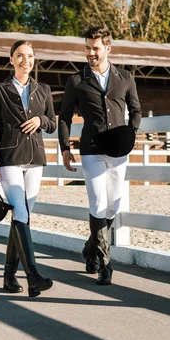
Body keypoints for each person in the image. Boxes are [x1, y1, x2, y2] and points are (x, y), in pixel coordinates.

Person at [58, 26, 142, 285]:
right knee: (97, 203)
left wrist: (131, 133)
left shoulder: (125, 77)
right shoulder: (76, 81)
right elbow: (63, 117)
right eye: (87, 48)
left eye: (95, 48)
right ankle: (105, 264)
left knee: (113, 205)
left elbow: (136, 109)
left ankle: (90, 248)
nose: (90, 53)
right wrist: (64, 148)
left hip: (118, 150)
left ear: (108, 48)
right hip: (91, 149)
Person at [0, 40, 56, 297]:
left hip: (35, 158)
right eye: (20, 56)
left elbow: (52, 123)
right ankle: (33, 276)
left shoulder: (44, 89)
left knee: (21, 217)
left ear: (34, 60)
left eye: (29, 55)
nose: (25, 60)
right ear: (11, 60)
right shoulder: (0, 90)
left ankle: (8, 275)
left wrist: (40, 120)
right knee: (21, 214)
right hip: (10, 159)